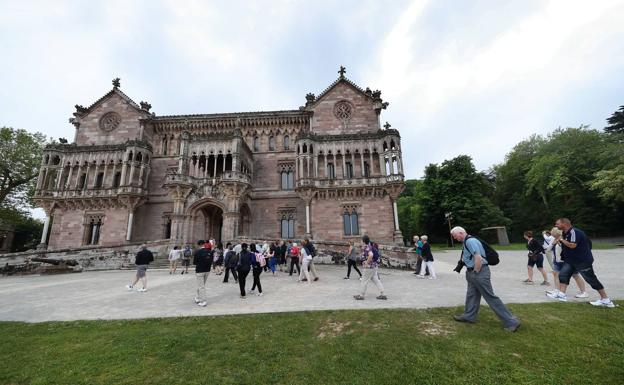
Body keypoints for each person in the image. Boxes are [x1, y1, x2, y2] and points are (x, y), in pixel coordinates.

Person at [450, 226, 521, 332]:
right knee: (471, 295)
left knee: (490, 297)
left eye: (455, 236)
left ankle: (511, 321)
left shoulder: (471, 241)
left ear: (461, 233)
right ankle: (469, 316)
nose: (455, 238)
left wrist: (475, 272)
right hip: (473, 272)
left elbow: (478, 258)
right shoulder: (468, 241)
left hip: (478, 272)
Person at [546, 218, 615, 307]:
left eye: (557, 224)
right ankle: (561, 294)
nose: (556, 225)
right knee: (563, 275)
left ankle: (606, 300)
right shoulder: (565, 233)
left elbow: (572, 245)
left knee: (590, 279)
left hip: (582, 261)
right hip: (571, 260)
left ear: (564, 224)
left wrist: (561, 240)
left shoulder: (574, 232)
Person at [544, 227, 588, 298]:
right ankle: (557, 290)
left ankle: (584, 292)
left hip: (567, 261)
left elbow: (568, 249)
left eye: (552, 231)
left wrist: (560, 243)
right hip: (557, 261)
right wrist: (553, 244)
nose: (550, 232)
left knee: (575, 275)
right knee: (556, 274)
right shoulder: (553, 239)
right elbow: (548, 250)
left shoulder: (564, 239)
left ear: (556, 233)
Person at [353, 235, 387, 300]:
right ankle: (383, 294)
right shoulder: (368, 246)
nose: (360, 241)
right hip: (374, 266)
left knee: (364, 280)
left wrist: (366, 263)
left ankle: (361, 295)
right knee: (376, 280)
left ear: (363, 241)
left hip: (369, 267)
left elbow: (371, 255)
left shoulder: (367, 248)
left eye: (361, 240)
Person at [193, 241, 213, 307]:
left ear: (199, 245)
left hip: (200, 270)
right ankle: (197, 297)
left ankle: (203, 301)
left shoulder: (198, 252)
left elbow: (194, 262)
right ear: (204, 244)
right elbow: (211, 261)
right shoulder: (209, 251)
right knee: (201, 285)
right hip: (207, 270)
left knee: (201, 286)